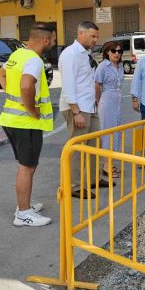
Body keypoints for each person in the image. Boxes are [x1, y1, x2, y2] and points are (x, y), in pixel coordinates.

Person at [0, 22, 56, 226]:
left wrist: (10, 96)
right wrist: (32, 110)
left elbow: (0, 73)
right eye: (54, 40)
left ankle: (25, 204)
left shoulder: (17, 54)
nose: (55, 43)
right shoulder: (34, 60)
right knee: (27, 167)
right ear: (46, 40)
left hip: (10, 119)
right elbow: (26, 85)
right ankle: (23, 213)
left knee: (26, 166)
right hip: (25, 122)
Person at [59, 21, 112, 196]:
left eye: (97, 36)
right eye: (92, 36)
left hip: (89, 107)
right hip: (78, 109)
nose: (96, 40)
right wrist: (76, 111)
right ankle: (74, 186)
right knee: (77, 149)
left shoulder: (84, 54)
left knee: (94, 145)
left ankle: (92, 179)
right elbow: (68, 85)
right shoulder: (70, 54)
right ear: (80, 33)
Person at [95, 40, 124, 177]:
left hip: (117, 101)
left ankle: (110, 163)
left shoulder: (120, 66)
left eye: (119, 51)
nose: (117, 54)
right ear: (107, 52)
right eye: (114, 51)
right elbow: (97, 85)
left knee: (116, 132)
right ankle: (106, 166)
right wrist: (98, 101)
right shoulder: (103, 66)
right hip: (107, 100)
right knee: (107, 132)